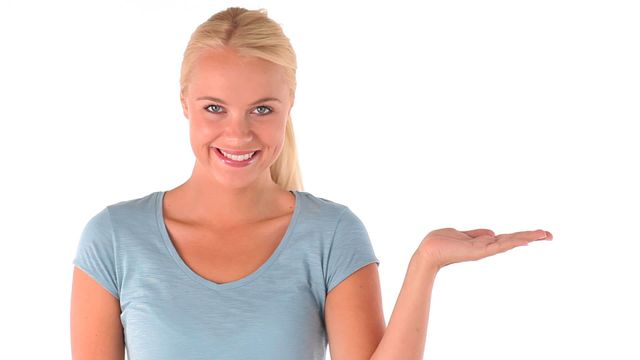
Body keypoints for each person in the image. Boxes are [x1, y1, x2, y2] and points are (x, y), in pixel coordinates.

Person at [70, 7, 553, 360]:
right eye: (214, 108)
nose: (237, 133)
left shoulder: (332, 235)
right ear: (184, 103)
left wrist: (426, 264)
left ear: (289, 105)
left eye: (262, 109)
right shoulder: (114, 239)